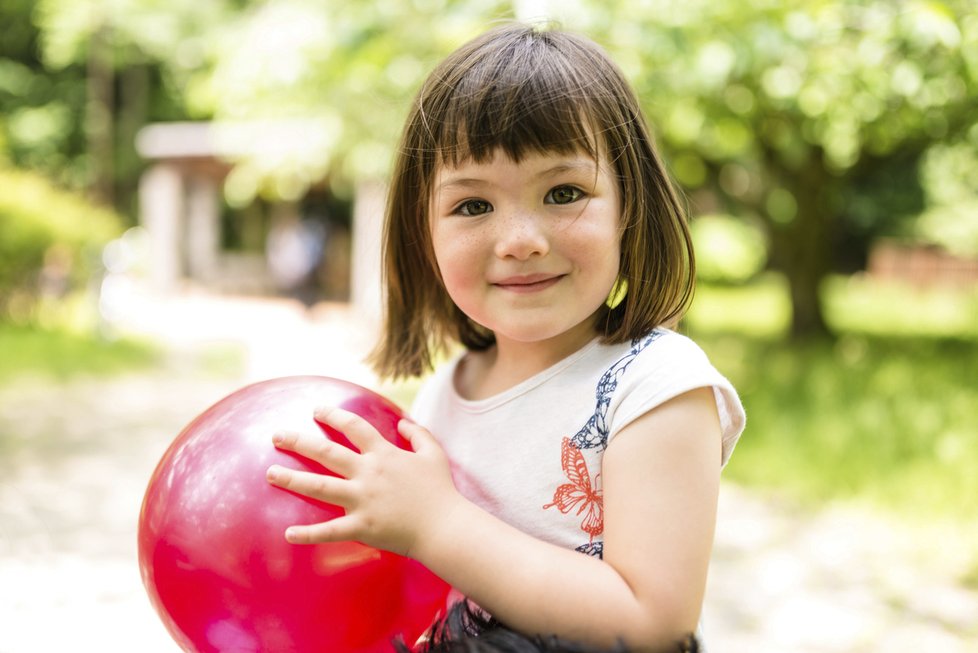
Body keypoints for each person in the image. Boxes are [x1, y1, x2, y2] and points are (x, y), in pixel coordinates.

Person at [265, 22, 746, 652]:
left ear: (629, 207)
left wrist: (436, 524)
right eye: (472, 205)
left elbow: (655, 624)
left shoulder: (656, 387)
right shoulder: (446, 392)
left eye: (564, 193)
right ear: (424, 232)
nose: (521, 239)